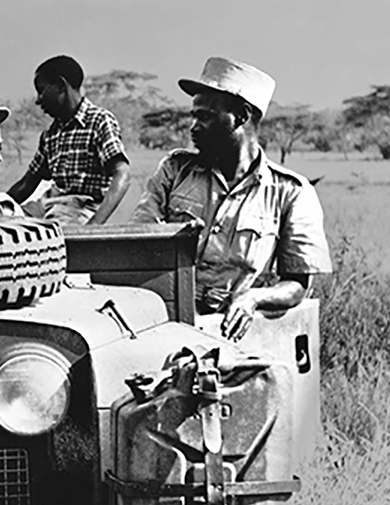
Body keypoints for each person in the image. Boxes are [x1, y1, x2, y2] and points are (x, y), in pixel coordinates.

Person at [131, 57, 332, 341]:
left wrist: (253, 298)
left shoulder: (292, 192)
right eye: (193, 116)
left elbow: (297, 285)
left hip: (233, 334)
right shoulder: (174, 170)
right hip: (167, 324)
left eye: (205, 116)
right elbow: (136, 245)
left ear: (242, 116)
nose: (193, 127)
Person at [6, 55, 130, 224]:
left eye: (41, 90)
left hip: (79, 210)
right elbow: (27, 184)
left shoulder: (99, 121)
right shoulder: (50, 135)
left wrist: (94, 225)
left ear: (60, 86)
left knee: (39, 231)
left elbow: (122, 174)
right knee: (3, 221)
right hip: (48, 206)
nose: (38, 100)